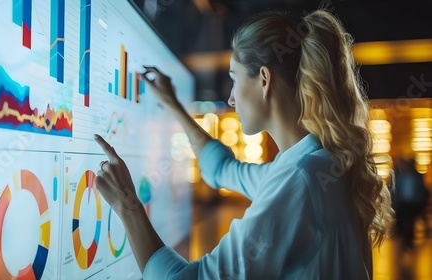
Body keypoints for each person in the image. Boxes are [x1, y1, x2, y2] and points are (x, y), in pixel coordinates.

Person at [93, 8, 394, 280]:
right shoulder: (319, 163)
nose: (231, 98)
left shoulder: (299, 180)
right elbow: (223, 169)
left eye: (234, 79)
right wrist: (173, 106)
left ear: (264, 80)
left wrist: (127, 205)